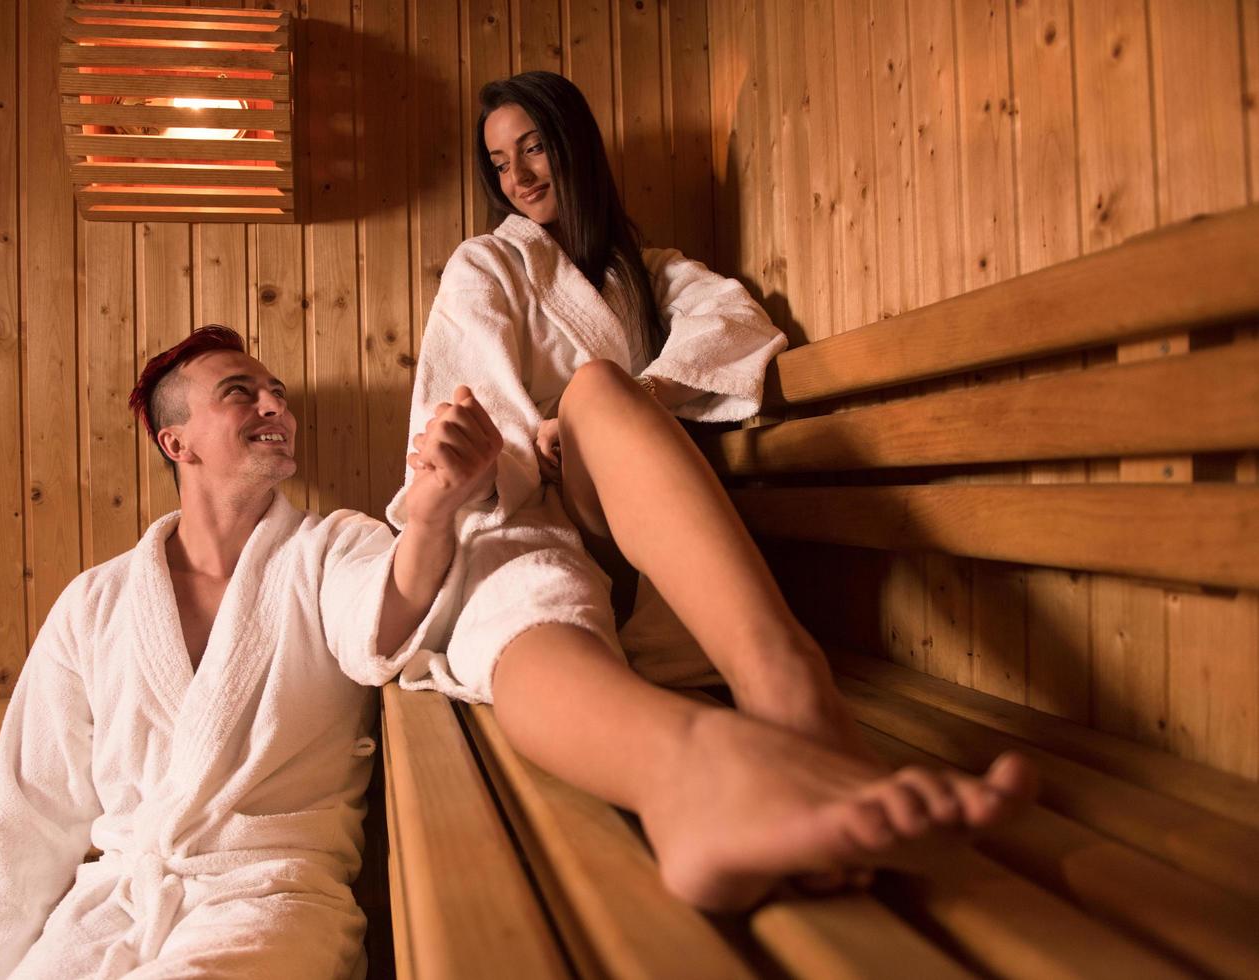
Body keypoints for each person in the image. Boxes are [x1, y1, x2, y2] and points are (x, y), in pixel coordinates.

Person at [386, 71, 1036, 910]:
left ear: (574, 144)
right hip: (528, 520)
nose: (520, 177)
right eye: (500, 163)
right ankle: (709, 780)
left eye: (535, 147)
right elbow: (460, 409)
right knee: (548, 523)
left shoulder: (648, 272)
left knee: (596, 389)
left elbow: (735, 327)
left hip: (637, 533)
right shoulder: (489, 263)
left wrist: (636, 395)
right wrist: (527, 442)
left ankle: (788, 689)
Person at [0, 326, 502, 979]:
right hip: (117, 904)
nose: (276, 409)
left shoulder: (332, 550)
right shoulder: (95, 602)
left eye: (278, 395)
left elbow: (379, 621)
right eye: (241, 394)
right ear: (174, 442)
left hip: (271, 899)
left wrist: (432, 516)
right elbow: (32, 809)